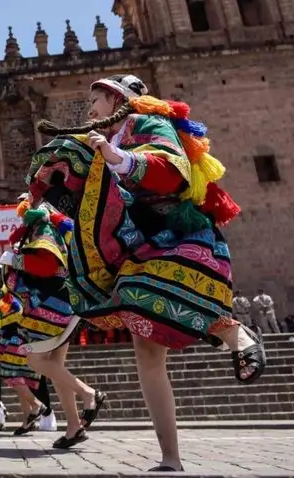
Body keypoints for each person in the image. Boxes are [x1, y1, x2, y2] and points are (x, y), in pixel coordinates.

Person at [31, 74, 262, 471]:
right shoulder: (105, 140)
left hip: (176, 237)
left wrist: (119, 158)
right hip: (143, 246)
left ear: (117, 99)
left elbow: (171, 168)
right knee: (147, 352)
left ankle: (236, 333)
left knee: (141, 290)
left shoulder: (144, 123)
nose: (90, 111)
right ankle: (170, 459)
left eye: (96, 101)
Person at [4, 194, 106, 449]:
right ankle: (74, 428)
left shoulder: (44, 227)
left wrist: (14, 260)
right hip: (65, 302)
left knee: (33, 358)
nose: (21, 205)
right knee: (55, 368)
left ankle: (87, 393)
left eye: (25, 201)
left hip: (52, 304)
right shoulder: (50, 227)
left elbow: (47, 265)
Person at [0, 262, 50, 435]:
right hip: (2, 340)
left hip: (17, 337)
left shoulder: (8, 293)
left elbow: (8, 314)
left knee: (11, 374)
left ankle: (37, 406)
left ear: (0, 275)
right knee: (18, 377)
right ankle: (28, 419)